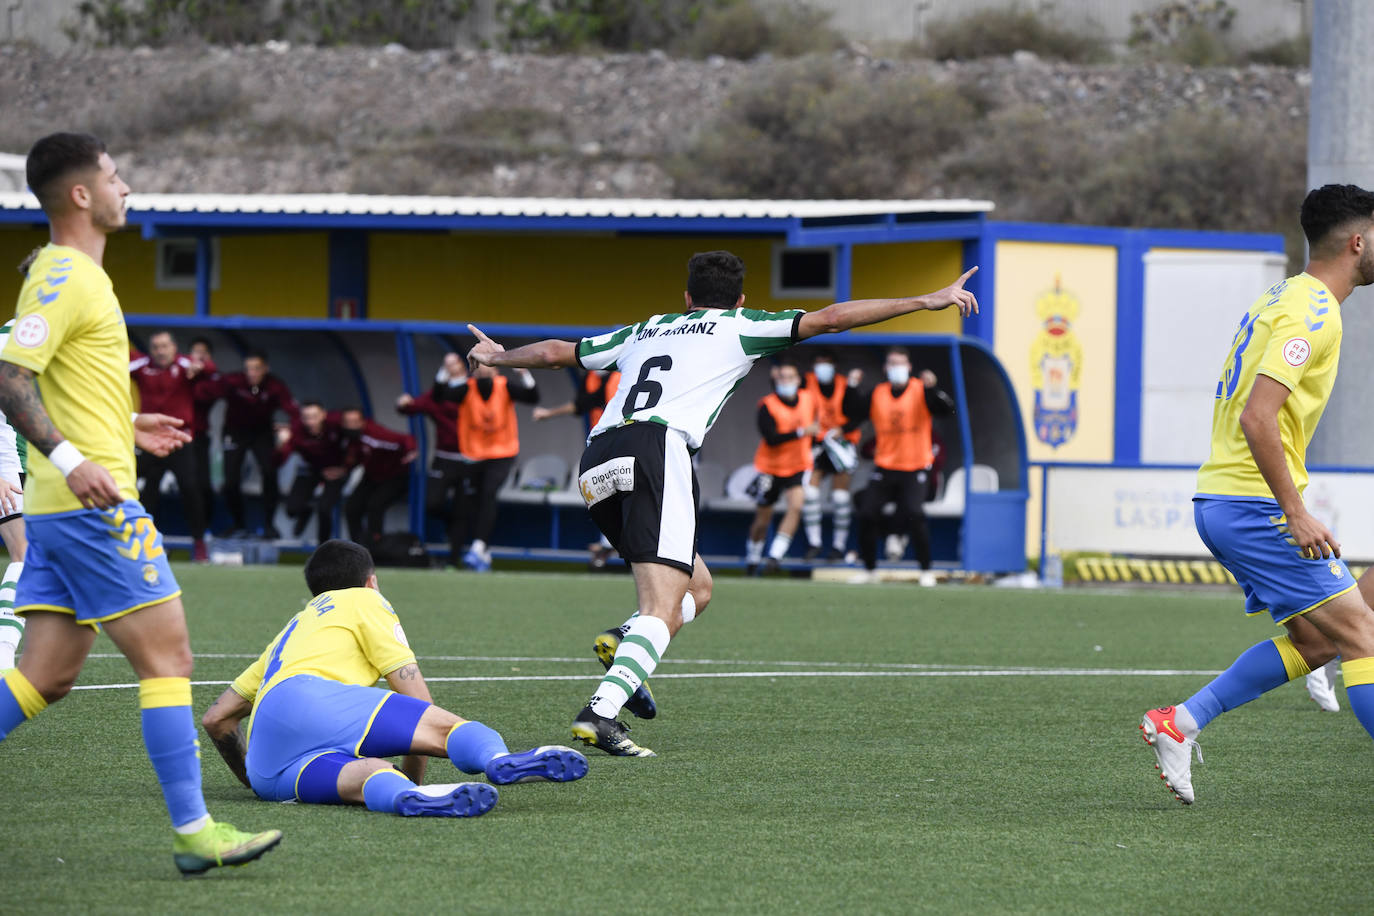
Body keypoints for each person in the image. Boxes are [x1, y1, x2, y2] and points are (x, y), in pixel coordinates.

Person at [465, 250, 978, 757]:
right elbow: (833, 318)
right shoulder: (741, 325)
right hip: (655, 452)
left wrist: (498, 357)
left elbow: (560, 351)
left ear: (686, 297)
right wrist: (926, 300)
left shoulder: (648, 328)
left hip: (597, 460)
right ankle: (599, 713)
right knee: (661, 608)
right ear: (740, 299)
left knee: (699, 588)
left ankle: (624, 640)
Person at [0, 133, 280, 873]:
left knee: (45, 676)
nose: (128, 189)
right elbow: (10, 377)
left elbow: (58, 384)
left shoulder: (80, 278)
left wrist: (124, 424)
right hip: (91, 510)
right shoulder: (63, 275)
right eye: (116, 178)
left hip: (62, 512)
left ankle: (193, 831)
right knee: (170, 658)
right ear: (82, 195)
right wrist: (71, 458)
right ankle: (193, 831)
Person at [1141, 184, 1374, 805]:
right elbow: (1257, 416)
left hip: (1229, 500)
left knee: (1319, 641)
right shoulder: (1312, 311)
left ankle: (1179, 723)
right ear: (1358, 241)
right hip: (1252, 505)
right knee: (1363, 638)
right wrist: (1294, 512)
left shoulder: (1286, 297)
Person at [200, 539, 587, 818]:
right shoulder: (365, 600)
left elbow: (217, 718)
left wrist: (254, 775)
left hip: (271, 763)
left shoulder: (293, 628)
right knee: (447, 729)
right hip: (317, 700)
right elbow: (418, 701)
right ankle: (497, 759)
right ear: (371, 581)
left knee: (370, 774)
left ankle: (403, 797)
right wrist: (417, 773)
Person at [841, 348, 955, 587]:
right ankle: (870, 569)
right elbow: (851, 414)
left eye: (900, 363)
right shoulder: (878, 393)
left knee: (915, 513)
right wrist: (851, 387)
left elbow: (945, 410)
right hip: (886, 465)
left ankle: (925, 570)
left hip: (915, 467)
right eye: (892, 363)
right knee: (866, 511)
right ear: (885, 368)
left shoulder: (920, 390)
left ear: (909, 366)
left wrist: (932, 387)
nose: (896, 368)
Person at [435, 362, 539, 572]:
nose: (484, 369)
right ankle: (465, 555)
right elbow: (440, 396)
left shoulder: (504, 386)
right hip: (473, 456)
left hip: (502, 453)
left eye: (488, 365)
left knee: (489, 492)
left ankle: (479, 545)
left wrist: (524, 374)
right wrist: (446, 372)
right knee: (467, 504)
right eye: (479, 366)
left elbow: (532, 396)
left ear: (496, 369)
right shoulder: (467, 388)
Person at [129, 330, 211, 561]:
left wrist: (201, 366)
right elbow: (114, 368)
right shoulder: (142, 366)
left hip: (179, 440)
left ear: (174, 348)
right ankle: (140, 540)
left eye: (164, 346)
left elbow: (209, 369)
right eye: (155, 347)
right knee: (138, 487)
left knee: (190, 488)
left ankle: (199, 544)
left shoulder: (185, 365)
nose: (160, 351)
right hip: (149, 440)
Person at [531, 367, 623, 568]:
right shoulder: (590, 377)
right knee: (604, 493)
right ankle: (608, 544)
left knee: (623, 493)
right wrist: (548, 414)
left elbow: (587, 402)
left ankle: (613, 544)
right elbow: (580, 405)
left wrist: (549, 413)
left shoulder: (621, 376)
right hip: (601, 443)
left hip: (624, 442)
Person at [210, 351, 298, 538]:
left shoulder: (275, 386)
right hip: (235, 432)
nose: (251, 373)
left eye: (256, 369)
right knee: (231, 480)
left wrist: (291, 430)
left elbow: (293, 410)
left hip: (262, 433)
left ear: (265, 369)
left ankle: (269, 525)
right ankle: (239, 524)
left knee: (269, 471)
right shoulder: (233, 381)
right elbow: (207, 392)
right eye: (248, 368)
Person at [744, 360, 819, 575]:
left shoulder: (808, 399)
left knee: (795, 506)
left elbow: (815, 429)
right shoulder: (767, 405)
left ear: (798, 380)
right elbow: (772, 438)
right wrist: (801, 432)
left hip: (798, 465)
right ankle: (753, 556)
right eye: (781, 377)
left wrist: (812, 442)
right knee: (762, 519)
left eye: (790, 377)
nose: (785, 381)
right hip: (770, 467)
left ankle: (775, 555)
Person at [397, 354, 467, 565]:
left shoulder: (473, 390)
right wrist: (402, 403)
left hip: (470, 459)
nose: (449, 367)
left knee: (464, 509)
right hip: (444, 458)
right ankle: (450, 522)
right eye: (445, 364)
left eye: (453, 363)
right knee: (431, 503)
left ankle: (455, 560)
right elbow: (409, 407)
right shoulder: (437, 395)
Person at [800, 348, 860, 562]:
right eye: (818, 362)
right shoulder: (806, 383)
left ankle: (838, 546)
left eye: (826, 362)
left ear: (834, 365)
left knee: (840, 496)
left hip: (842, 444)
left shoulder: (846, 385)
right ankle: (814, 543)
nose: (822, 366)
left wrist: (842, 430)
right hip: (818, 444)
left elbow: (857, 415)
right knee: (811, 493)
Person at [340, 408, 417, 546]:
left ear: (362, 422)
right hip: (371, 476)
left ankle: (375, 546)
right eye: (347, 422)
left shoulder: (376, 435)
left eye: (354, 422)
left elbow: (406, 439)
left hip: (395, 476)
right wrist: (342, 470)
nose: (350, 426)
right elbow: (355, 459)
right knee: (351, 507)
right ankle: (356, 547)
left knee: (375, 505)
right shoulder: (350, 438)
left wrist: (411, 450)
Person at [279, 401, 353, 543]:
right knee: (291, 509)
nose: (310, 421)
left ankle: (322, 546)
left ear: (323, 415)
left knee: (324, 508)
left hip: (335, 471)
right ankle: (305, 512)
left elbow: (356, 444)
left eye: (314, 416)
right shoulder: (297, 430)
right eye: (306, 417)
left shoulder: (336, 423)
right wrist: (282, 444)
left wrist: (344, 468)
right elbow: (278, 460)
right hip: (312, 469)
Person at [0, 314, 26, 670]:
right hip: (7, 462)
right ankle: (4, 655)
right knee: (25, 556)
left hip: (35, 462)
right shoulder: (12, 335)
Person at [186, 336, 219, 529]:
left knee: (203, 485)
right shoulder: (181, 371)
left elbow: (206, 393)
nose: (198, 356)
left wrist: (200, 368)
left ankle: (204, 530)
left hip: (199, 436)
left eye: (203, 353)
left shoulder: (211, 378)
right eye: (195, 352)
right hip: (174, 435)